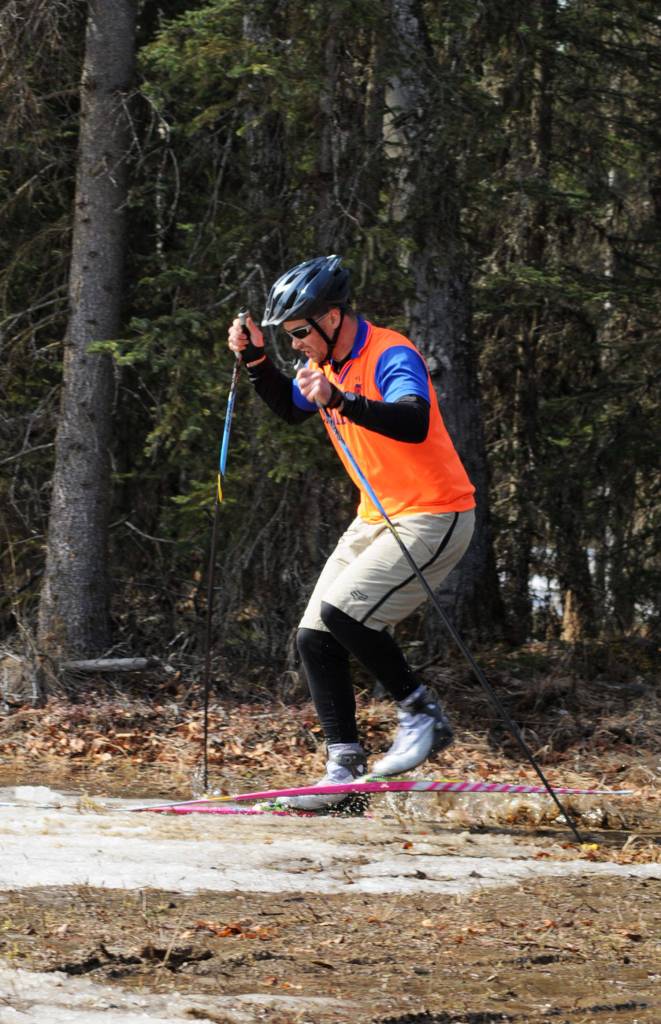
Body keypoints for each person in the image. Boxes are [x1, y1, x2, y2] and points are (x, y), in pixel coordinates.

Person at [227, 255, 476, 810]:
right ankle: (344, 775)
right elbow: (293, 409)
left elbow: (412, 419)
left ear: (332, 317)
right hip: (377, 517)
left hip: (436, 514)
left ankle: (421, 713)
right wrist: (254, 359)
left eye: (298, 332)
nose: (295, 344)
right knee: (315, 636)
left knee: (345, 612)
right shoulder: (326, 362)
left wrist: (340, 400)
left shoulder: (390, 352)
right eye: (286, 335)